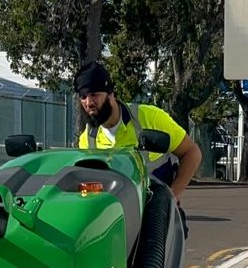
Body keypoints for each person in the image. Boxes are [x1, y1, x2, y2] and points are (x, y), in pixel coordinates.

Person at [73, 61, 202, 206]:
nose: (88, 102)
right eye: (83, 97)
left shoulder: (150, 117)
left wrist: (173, 195)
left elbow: (192, 152)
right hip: (116, 215)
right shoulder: (87, 140)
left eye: (94, 94)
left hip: (156, 209)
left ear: (110, 94)